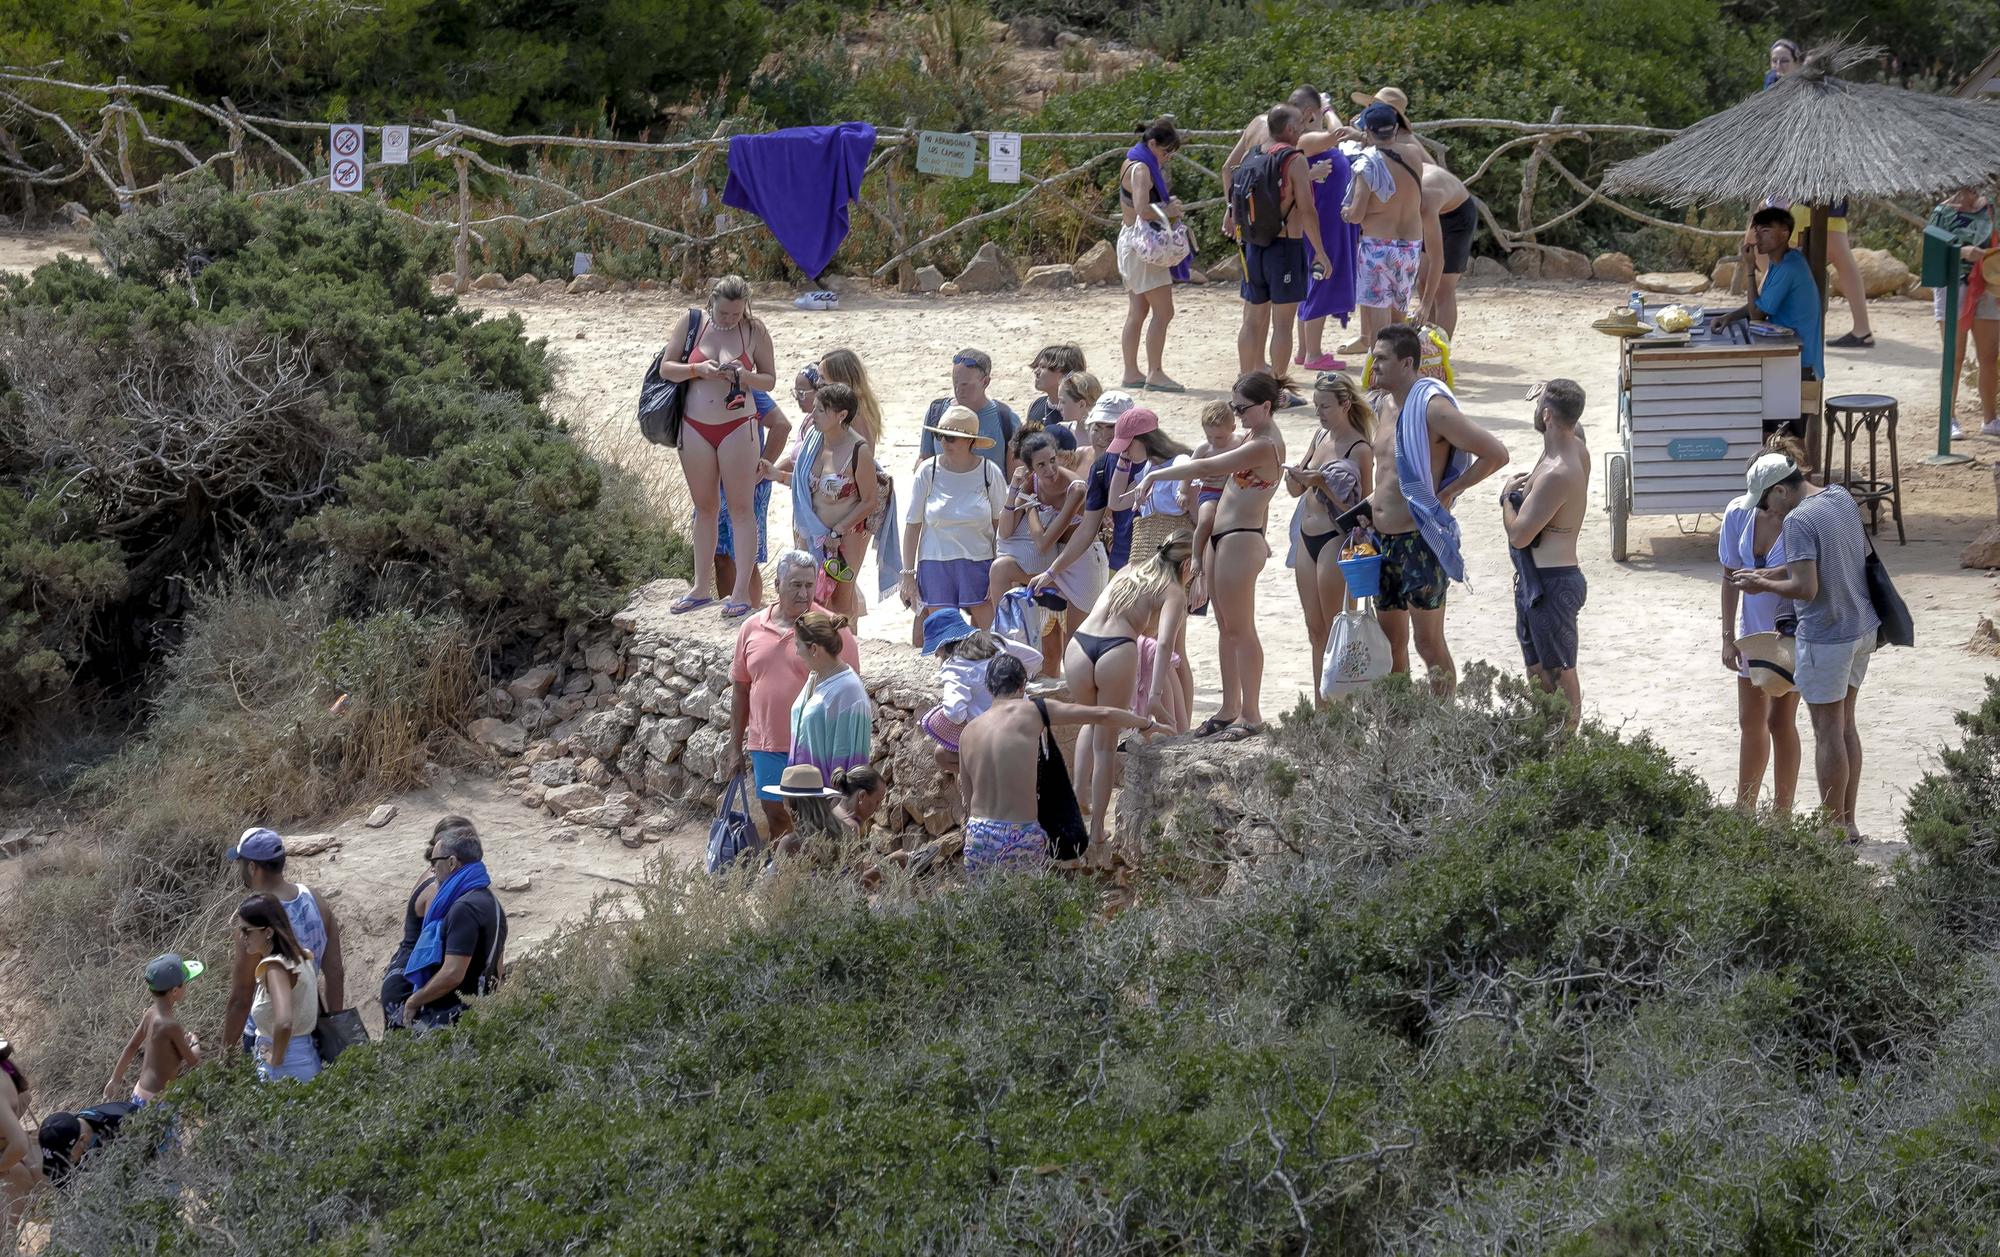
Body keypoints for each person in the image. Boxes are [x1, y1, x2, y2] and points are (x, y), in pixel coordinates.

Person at [1729, 453, 1879, 841]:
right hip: (1861, 628)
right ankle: (1848, 823)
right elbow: (1831, 559)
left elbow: (1806, 588)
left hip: (1827, 635)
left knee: (1827, 731)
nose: (1766, 511)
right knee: (1846, 726)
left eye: (1765, 503)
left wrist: (1761, 585)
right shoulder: (1839, 497)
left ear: (1780, 490)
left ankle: (1830, 832)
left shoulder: (1796, 518)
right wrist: (1767, 572)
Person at [1134, 372, 1291, 739]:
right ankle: (1229, 707)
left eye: (1242, 408)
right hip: (1223, 537)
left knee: (1242, 629)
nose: (1236, 416)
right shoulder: (1252, 434)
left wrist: (1157, 477)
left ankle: (1251, 715)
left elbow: (1207, 468)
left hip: (1240, 538)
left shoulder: (1265, 444)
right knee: (1225, 628)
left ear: (1266, 406)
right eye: (1234, 407)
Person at [1362, 324, 1511, 696]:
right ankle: (1400, 726)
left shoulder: (1432, 408)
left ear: (1407, 363)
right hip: (1383, 541)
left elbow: (1496, 454)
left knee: (1427, 644)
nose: (1372, 365)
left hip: (1418, 540)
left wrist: (1449, 493)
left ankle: (1442, 727)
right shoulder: (1382, 405)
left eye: (1381, 359)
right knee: (1388, 641)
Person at [957, 653, 1159, 876]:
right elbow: (1102, 714)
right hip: (1020, 833)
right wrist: (1146, 724)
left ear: (988, 687)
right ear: (1022, 685)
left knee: (983, 906)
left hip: (978, 832)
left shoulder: (967, 733)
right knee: (1026, 906)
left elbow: (968, 798)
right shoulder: (1033, 711)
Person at [1062, 532, 1196, 842]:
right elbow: (1164, 644)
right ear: (1186, 563)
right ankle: (1096, 831)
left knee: (1091, 720)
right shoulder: (1173, 590)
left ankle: (1078, 801)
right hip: (1116, 649)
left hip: (1079, 646)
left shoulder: (1128, 570)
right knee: (1106, 745)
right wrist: (1154, 696)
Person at [663, 275, 778, 618]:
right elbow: (668, 369)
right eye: (724, 313)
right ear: (711, 301)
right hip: (695, 425)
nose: (729, 319)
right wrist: (698, 369)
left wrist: (742, 376)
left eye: (735, 313)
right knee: (705, 506)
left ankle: (740, 592)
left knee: (742, 509)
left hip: (738, 426)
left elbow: (770, 379)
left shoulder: (755, 331)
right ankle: (699, 587)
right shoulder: (692, 322)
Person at [729, 550, 862, 841]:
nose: (804, 593)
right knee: (775, 815)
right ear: (776, 585)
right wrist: (734, 748)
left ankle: (809, 880)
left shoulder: (832, 630)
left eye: (809, 585)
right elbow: (741, 689)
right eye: (795, 585)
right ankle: (785, 876)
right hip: (766, 745)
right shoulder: (751, 627)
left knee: (817, 823)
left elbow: (850, 692)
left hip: (816, 749)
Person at [1223, 85, 1350, 372]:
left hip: (1253, 243)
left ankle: (1247, 378)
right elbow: (1307, 211)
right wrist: (1320, 252)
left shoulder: (1255, 152)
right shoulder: (1295, 160)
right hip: (1285, 246)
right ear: (1291, 128)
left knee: (1253, 319)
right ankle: (1278, 386)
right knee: (1282, 324)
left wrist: (1231, 211)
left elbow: (1227, 169)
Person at [1762, 39, 1873, 349]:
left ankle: (1860, 328)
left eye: (1786, 61)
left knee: (1834, 252)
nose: (1780, 67)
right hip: (1799, 187)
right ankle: (1786, 318)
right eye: (1775, 61)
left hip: (1822, 187)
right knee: (1781, 249)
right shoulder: (1782, 88)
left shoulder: (1831, 98)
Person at [1719, 438, 1808, 815]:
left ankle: (1782, 815)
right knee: (1749, 721)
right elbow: (1727, 575)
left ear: (1780, 490)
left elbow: (1807, 573)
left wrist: (1764, 577)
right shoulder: (1739, 512)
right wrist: (1728, 637)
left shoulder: (1802, 518)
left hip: (1791, 633)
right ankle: (1745, 809)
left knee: (1780, 720)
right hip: (1751, 633)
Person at [1500, 379, 1591, 730]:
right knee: (1537, 669)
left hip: (1552, 585)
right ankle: (1548, 739)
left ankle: (1566, 750)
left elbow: (1520, 535)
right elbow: (1570, 422)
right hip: (1538, 581)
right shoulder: (1573, 447)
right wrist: (1549, 391)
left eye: (1539, 408)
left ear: (1548, 415)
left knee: (1559, 670)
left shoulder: (1557, 472)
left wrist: (1508, 498)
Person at [1286, 372, 1374, 691]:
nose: (1319, 413)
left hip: (1335, 538)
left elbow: (1365, 509)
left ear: (1345, 404)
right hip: (1306, 537)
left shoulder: (1360, 449)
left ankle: (1340, 710)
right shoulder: (1319, 438)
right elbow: (1296, 490)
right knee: (1314, 630)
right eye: (1316, 406)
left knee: (1338, 628)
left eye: (1325, 406)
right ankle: (1320, 709)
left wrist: (1322, 483)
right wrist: (1295, 478)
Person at [221, 827, 342, 1057]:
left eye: (240, 864)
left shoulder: (254, 918)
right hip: (311, 1027)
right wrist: (334, 1028)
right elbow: (335, 972)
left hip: (267, 1036)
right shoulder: (315, 899)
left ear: (252, 867)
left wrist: (225, 1055)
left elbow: (242, 994)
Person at [1028, 391, 1136, 623]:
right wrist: (1052, 572)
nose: (1104, 435)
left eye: (1112, 427)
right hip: (1111, 559)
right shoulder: (1095, 465)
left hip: (1145, 560)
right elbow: (1088, 528)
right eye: (1098, 427)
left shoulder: (1152, 463)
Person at [902, 407, 1008, 635]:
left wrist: (999, 574)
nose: (943, 441)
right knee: (944, 640)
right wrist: (908, 575)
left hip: (980, 563)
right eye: (940, 435)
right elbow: (913, 525)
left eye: (950, 437)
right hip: (935, 562)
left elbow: (1002, 527)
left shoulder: (990, 472)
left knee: (993, 636)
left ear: (969, 441)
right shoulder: (927, 471)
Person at [991, 429, 1102, 639]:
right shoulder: (1030, 482)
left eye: (1052, 460)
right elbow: (1005, 532)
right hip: (1049, 564)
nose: (1050, 469)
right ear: (1030, 468)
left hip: (1080, 562)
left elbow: (1043, 542)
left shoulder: (1076, 488)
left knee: (1074, 646)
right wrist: (1014, 490)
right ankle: (1004, 638)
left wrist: (1030, 506)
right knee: (1000, 570)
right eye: (1041, 465)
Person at [399, 825, 507, 1030]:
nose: (432, 869)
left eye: (434, 862)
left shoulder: (464, 909)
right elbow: (498, 970)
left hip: (454, 1019)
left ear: (451, 862)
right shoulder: (490, 902)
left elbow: (453, 973)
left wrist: (415, 1000)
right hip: (481, 1014)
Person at [790, 381, 881, 619]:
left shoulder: (858, 450)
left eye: (821, 410)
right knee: (808, 595)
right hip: (810, 532)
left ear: (841, 415)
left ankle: (845, 650)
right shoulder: (813, 440)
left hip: (845, 536)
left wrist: (837, 531)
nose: (813, 414)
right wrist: (774, 474)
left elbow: (869, 501)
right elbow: (803, 483)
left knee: (841, 600)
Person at [1342, 99, 1427, 344]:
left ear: (1367, 131)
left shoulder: (1367, 163)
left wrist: (1346, 212)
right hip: (1410, 245)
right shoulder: (1413, 154)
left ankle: (1380, 378)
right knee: (1399, 319)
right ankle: (1403, 372)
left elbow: (1357, 214)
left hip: (1378, 246)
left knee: (1378, 327)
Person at [1713, 207, 1824, 384]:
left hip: (1801, 362)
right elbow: (1762, 303)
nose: (1758, 237)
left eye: (1765, 231)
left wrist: (1750, 268)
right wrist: (1729, 317)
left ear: (1784, 234)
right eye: (1757, 231)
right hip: (1790, 350)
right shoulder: (1783, 260)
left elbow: (1757, 313)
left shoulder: (1788, 269)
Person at [920, 613, 1043, 771]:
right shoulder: (994, 641)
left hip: (992, 738)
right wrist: (1017, 679)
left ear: (943, 646)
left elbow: (955, 714)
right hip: (1025, 724)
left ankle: (980, 781)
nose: (937, 655)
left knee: (941, 754)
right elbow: (1035, 658)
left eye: (936, 650)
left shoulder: (954, 667)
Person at [379, 815, 468, 1031]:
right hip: (410, 983)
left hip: (410, 975)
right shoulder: (438, 887)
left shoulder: (444, 879)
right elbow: (432, 948)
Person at [1117, 116, 1186, 393]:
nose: (1167, 158)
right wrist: (1170, 209)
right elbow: (1144, 208)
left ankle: (1131, 371)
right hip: (1143, 247)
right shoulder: (1143, 169)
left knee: (1138, 310)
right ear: (1153, 143)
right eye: (1166, 151)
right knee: (1164, 311)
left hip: (1130, 241)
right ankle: (1155, 373)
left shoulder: (1130, 161)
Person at [1928, 186, 1999, 437]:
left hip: (1988, 285)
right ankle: (1949, 419)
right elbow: (1932, 254)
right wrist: (1962, 252)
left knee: (1989, 356)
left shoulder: (1989, 208)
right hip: (1952, 286)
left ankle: (1990, 419)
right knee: (1954, 356)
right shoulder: (1942, 212)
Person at [710, 391, 790, 612]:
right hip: (714, 486)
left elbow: (782, 425)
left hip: (747, 487)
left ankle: (750, 617)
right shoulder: (699, 388)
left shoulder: (747, 388)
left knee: (745, 558)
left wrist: (761, 469)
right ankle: (730, 611)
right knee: (720, 556)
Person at [235, 894, 321, 1082]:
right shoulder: (302, 957)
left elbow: (284, 1022)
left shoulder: (275, 967)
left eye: (246, 931)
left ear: (268, 932)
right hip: (304, 1056)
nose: (242, 937)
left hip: (286, 1066)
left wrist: (276, 1058)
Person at [103, 954, 204, 1105]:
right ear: (175, 991)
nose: (187, 986)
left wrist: (115, 1079)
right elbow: (193, 1061)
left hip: (139, 1092)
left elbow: (131, 1047)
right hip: (158, 1101)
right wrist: (194, 1043)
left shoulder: (151, 1013)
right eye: (185, 982)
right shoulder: (171, 1025)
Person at [788, 611, 872, 783]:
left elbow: (851, 763)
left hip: (826, 803)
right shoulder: (815, 676)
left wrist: (836, 807)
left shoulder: (850, 691)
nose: (796, 652)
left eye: (798, 645)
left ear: (813, 649)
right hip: (804, 797)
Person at [915, 349, 1020, 474]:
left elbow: (1015, 475)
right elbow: (924, 460)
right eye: (955, 382)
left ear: (985, 382)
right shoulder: (936, 412)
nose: (958, 389)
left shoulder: (1006, 419)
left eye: (965, 384)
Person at [1414, 161, 1474, 339]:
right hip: (1436, 209)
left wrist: (1425, 304)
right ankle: (1428, 340)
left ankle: (1442, 349)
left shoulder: (1426, 199)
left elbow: (1437, 259)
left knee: (1443, 289)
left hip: (1457, 217)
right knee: (1422, 281)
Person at [0, 1040, 43, 1227]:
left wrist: (2, 1165)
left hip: (11, 1173)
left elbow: (18, 1143)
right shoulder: (5, 1068)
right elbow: (25, 1096)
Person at [816, 348, 884, 446]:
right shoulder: (860, 408)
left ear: (839, 381)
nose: (818, 383)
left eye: (822, 378)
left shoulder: (855, 417)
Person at [1027, 345, 1086, 454]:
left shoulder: (1077, 411)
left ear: (1064, 374)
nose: (1036, 371)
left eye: (1043, 367)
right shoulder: (1036, 404)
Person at [1054, 370, 1104, 472]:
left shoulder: (1103, 438)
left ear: (1081, 404)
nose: (1058, 407)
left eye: (1063, 401)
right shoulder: (1061, 431)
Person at [832, 765, 887, 840]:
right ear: (862, 796)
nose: (877, 809)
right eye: (877, 802)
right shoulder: (850, 827)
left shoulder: (833, 812)